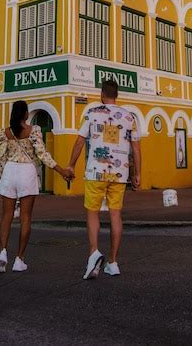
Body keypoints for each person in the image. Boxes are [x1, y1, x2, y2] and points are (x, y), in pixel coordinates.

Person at [66, 79, 141, 279]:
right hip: (119, 174)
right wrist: (137, 174)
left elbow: (80, 141)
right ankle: (113, 262)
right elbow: (136, 148)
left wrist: (71, 164)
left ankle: (93, 254)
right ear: (116, 95)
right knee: (115, 215)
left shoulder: (91, 113)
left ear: (102, 94)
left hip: (95, 172)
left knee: (92, 213)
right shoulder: (129, 117)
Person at [0, 100, 72, 273]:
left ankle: (3, 253)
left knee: (6, 216)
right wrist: (60, 170)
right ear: (25, 114)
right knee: (25, 218)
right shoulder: (34, 130)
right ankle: (19, 260)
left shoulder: (4, 132)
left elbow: (0, 158)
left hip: (9, 171)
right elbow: (42, 154)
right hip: (27, 172)